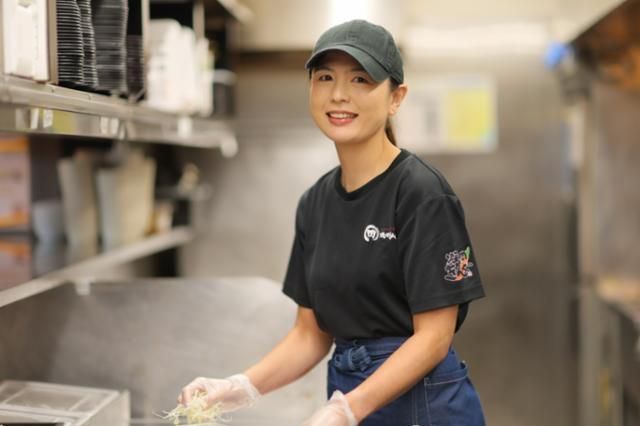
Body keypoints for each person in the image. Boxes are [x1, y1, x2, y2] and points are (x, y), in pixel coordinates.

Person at [178, 19, 487, 426]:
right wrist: (238, 387)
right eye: (325, 77)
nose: (339, 94)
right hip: (351, 392)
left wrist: (347, 409)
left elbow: (433, 338)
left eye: (361, 79)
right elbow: (310, 335)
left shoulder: (421, 193)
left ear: (396, 98)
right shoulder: (315, 203)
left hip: (425, 406)